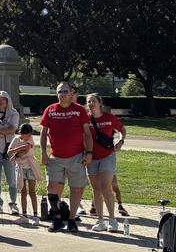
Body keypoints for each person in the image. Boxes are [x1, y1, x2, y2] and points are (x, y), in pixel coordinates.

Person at [41, 82, 91, 233]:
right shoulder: (50, 110)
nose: (62, 94)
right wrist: (43, 152)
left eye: (65, 91)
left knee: (76, 189)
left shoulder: (79, 110)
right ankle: (57, 218)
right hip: (55, 157)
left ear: (71, 93)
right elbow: (43, 133)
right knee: (52, 189)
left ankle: (71, 219)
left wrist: (89, 152)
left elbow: (87, 133)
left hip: (76, 157)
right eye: (59, 91)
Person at [83, 93, 125, 233]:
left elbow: (122, 130)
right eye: (88, 101)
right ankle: (100, 221)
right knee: (96, 189)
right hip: (91, 158)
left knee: (105, 187)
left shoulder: (109, 117)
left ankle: (112, 220)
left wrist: (121, 141)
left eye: (93, 101)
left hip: (108, 156)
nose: (91, 104)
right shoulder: (85, 119)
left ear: (100, 103)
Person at [7, 123, 41, 222]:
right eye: (21, 134)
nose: (22, 136)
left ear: (29, 134)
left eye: (24, 134)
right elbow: (9, 152)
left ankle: (35, 215)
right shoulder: (16, 139)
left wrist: (15, 153)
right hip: (21, 168)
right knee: (23, 191)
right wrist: (16, 151)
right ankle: (24, 215)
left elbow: (26, 150)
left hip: (30, 167)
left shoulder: (30, 139)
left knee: (32, 192)